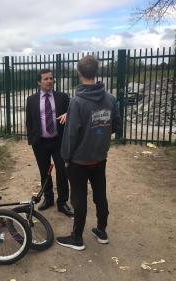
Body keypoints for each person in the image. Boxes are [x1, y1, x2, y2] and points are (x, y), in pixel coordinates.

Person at [56, 55, 122, 250]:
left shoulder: (76, 102)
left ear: (79, 73)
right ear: (97, 72)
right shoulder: (110, 98)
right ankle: (101, 231)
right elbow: (116, 124)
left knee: (79, 198)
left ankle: (77, 238)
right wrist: (99, 133)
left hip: (79, 161)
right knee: (100, 194)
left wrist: (66, 158)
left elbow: (71, 135)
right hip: (100, 157)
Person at [26, 69, 73, 217]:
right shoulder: (32, 99)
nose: (49, 81)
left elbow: (72, 114)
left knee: (62, 171)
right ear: (39, 82)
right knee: (44, 172)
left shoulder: (62, 97)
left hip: (59, 142)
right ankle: (48, 198)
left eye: (51, 78)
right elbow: (29, 120)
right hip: (40, 143)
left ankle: (62, 202)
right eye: (46, 79)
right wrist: (31, 139)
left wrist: (68, 113)